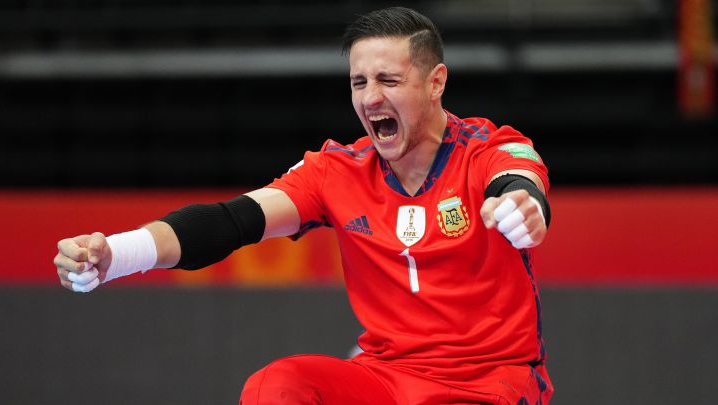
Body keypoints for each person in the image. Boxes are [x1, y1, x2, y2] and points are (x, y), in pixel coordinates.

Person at [54, 7, 554, 405]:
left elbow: (519, 181)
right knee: (276, 385)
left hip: (491, 383)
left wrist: (521, 207)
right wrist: (114, 254)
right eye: (359, 83)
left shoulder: (488, 149)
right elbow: (229, 222)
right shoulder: (335, 170)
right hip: (386, 379)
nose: (371, 97)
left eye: (389, 80)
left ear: (436, 82)